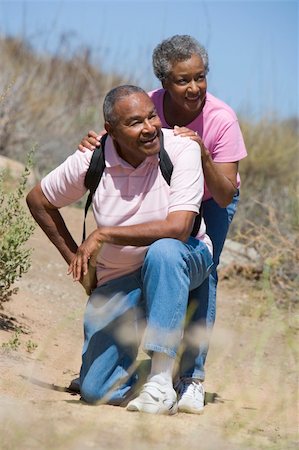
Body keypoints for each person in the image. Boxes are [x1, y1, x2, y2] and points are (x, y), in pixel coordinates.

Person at [77, 35, 247, 413]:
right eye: (183, 80)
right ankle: (105, 366)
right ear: (163, 83)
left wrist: (203, 155)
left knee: (203, 274)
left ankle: (191, 378)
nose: (194, 88)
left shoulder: (221, 119)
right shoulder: (149, 105)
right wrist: (97, 142)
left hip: (209, 198)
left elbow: (223, 194)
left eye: (200, 78)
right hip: (165, 197)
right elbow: (121, 134)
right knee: (147, 261)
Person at [26, 85, 214, 415]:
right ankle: (148, 376)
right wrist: (77, 261)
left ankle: (159, 382)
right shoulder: (93, 159)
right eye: (135, 122)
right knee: (97, 389)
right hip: (123, 277)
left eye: (152, 116)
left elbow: (179, 228)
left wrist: (104, 235)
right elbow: (38, 200)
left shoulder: (181, 149)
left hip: (185, 260)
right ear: (110, 131)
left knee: (164, 251)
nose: (149, 127)